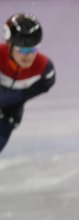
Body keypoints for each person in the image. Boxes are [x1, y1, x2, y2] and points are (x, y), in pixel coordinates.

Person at [1, 13, 55, 154]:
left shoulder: (44, 69)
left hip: (8, 116)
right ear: (9, 45)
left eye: (33, 49)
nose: (28, 56)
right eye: (23, 50)